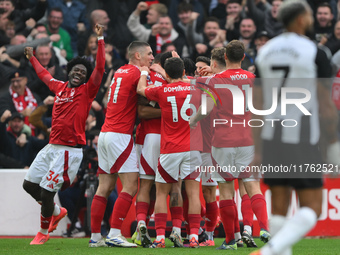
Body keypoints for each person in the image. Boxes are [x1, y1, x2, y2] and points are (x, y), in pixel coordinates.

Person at [250, 1, 340, 254]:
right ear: (301, 19)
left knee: (279, 208)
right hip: (302, 135)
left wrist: (257, 151)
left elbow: (257, 104)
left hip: (271, 135)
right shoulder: (314, 52)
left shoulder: (266, 52)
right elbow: (325, 106)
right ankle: (268, 251)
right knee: (313, 207)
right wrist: (333, 144)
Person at [22, 23, 105, 245]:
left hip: (69, 151)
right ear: (69, 71)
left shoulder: (87, 91)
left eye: (83, 73)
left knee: (48, 192)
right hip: (51, 147)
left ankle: (42, 232)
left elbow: (99, 68)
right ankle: (57, 211)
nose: (79, 73)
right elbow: (43, 75)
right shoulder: (60, 87)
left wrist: (100, 39)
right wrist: (32, 58)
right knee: (29, 185)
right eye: (76, 70)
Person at [190, 40, 270, 250]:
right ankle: (264, 228)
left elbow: (206, 109)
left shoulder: (216, 80)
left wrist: (193, 120)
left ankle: (230, 241)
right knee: (252, 186)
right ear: (243, 57)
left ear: (225, 57)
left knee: (226, 190)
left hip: (223, 141)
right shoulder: (254, 79)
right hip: (248, 140)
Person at [89, 41, 154, 248]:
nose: (152, 58)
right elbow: (146, 93)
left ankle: (95, 236)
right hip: (120, 135)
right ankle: (115, 233)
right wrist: (146, 74)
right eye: (149, 54)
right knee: (131, 185)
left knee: (104, 187)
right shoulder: (137, 73)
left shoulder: (119, 71)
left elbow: (109, 102)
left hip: (105, 132)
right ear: (138, 55)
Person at [137, 57, 202, 248]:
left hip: (170, 149)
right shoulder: (195, 87)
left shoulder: (162, 90)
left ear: (166, 74)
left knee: (160, 193)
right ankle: (194, 237)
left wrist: (143, 72)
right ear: (184, 72)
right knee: (192, 194)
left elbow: (140, 90)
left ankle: (159, 238)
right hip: (193, 148)